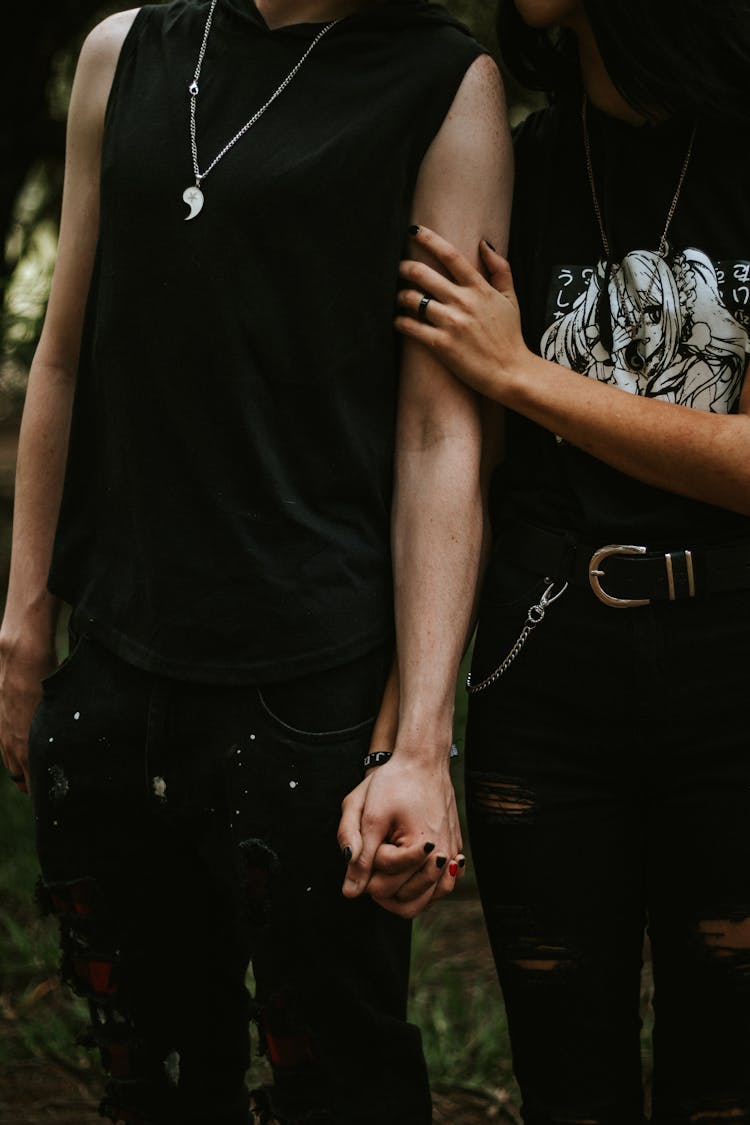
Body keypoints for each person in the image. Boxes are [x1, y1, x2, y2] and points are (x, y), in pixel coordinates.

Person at [0, 1, 511, 1122]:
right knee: (151, 1074)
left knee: (340, 1077)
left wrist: (421, 744)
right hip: (119, 663)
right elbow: (65, 357)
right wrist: (26, 618)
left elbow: (439, 430)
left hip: (314, 687)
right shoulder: (121, 52)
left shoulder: (443, 82)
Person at [393, 0, 750, 1120]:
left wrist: (526, 374)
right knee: (565, 1081)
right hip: (544, 670)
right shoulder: (520, 160)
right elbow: (449, 449)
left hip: (735, 673)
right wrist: (410, 732)